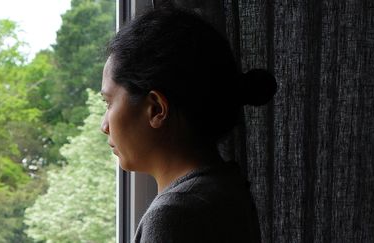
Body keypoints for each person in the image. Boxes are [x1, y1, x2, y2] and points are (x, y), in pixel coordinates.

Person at [100, 7, 276, 243]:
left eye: (109, 103)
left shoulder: (173, 216)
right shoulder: (225, 188)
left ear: (156, 109)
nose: (104, 125)